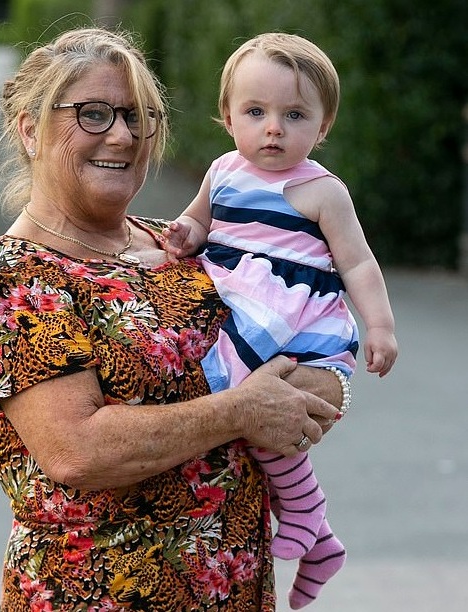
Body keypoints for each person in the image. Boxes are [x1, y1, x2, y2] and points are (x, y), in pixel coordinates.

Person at [0, 27, 347, 611]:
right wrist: (243, 410)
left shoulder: (177, 242)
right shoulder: (17, 277)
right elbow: (77, 451)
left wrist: (331, 382)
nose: (123, 134)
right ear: (29, 129)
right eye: (93, 114)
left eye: (139, 115)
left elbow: (299, 339)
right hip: (99, 596)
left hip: (234, 591)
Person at [163, 32, 398, 608]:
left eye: (294, 115)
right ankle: (317, 535)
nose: (274, 128)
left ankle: (304, 511)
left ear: (323, 127)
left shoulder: (322, 191)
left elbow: (359, 264)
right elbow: (198, 222)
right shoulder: (222, 171)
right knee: (247, 413)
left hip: (294, 317)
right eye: (256, 111)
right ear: (227, 117)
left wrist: (381, 327)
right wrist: (185, 234)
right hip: (241, 302)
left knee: (254, 405)